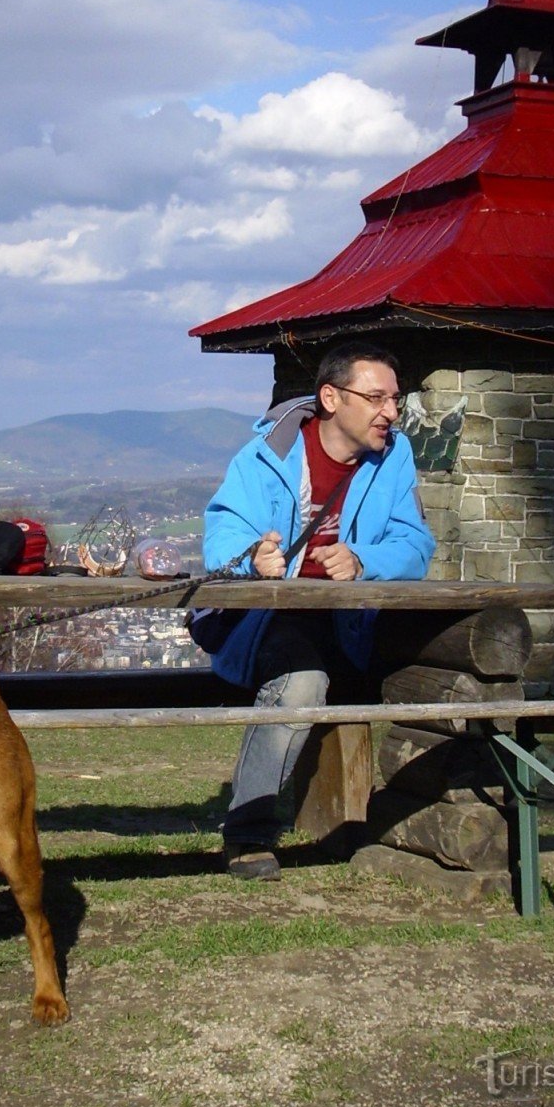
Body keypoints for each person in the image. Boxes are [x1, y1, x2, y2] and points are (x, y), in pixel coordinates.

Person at [201, 339, 435, 880]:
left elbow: (416, 544)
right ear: (331, 398)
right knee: (301, 684)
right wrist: (252, 555)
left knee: (441, 675)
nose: (391, 413)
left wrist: (363, 559)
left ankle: (415, 823)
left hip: (356, 622)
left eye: (395, 399)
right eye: (376, 398)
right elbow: (224, 530)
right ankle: (248, 831)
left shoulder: (395, 455)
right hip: (273, 621)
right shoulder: (267, 454)